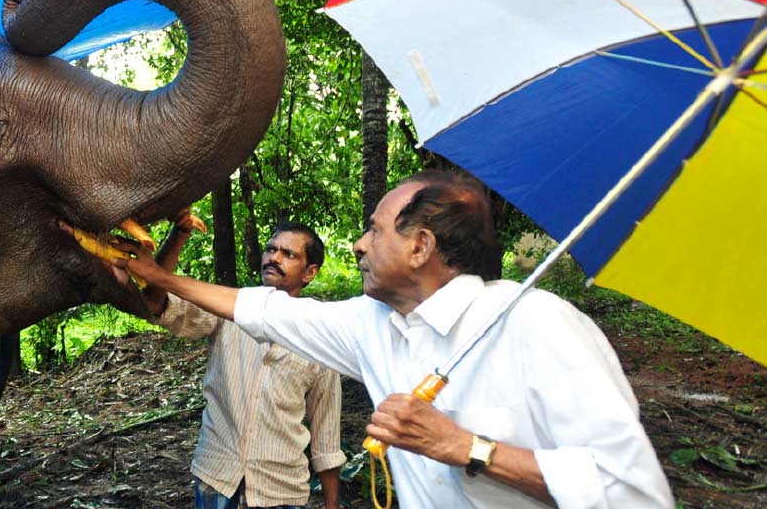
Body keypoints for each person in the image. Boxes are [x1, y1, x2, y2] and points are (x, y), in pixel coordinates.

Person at [119, 171, 674, 508]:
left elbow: (635, 494)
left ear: (420, 247)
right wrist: (164, 278)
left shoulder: (538, 325)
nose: (359, 246)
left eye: (376, 230)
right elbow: (263, 311)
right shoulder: (371, 324)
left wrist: (466, 448)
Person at [146, 213, 345, 509]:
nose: (274, 258)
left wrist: (332, 505)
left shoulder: (320, 336)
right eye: (271, 249)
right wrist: (179, 233)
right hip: (217, 476)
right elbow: (154, 303)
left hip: (280, 490)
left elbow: (326, 435)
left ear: (310, 272)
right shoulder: (229, 309)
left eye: (288, 254)